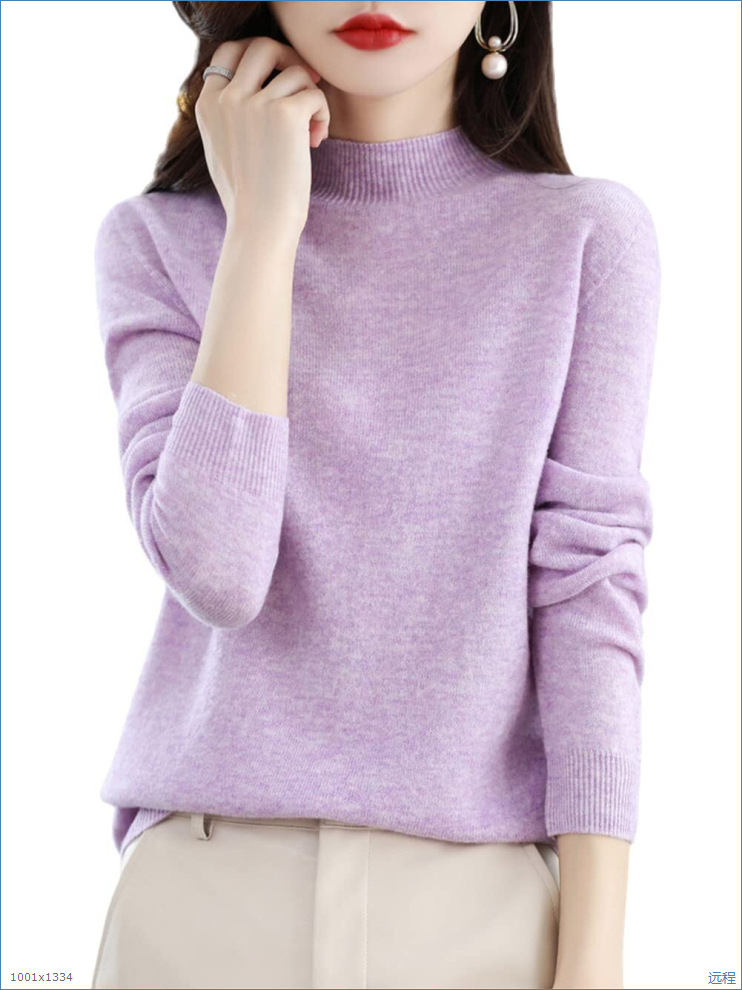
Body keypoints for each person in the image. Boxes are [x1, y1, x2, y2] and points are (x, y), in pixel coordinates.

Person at [90, 2, 661, 988]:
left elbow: (588, 600)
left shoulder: (584, 237)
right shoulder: (158, 242)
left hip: (484, 918)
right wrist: (262, 229)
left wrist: (593, 964)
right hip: (197, 910)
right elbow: (218, 570)